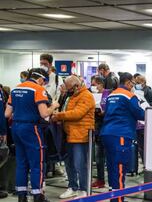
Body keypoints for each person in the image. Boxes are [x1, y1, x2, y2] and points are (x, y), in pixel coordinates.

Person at [5, 68, 60, 202]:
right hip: (31, 129)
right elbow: (44, 113)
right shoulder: (38, 89)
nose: (44, 84)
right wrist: (53, 106)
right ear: (41, 79)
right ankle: (38, 196)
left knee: (21, 163)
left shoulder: (16, 89)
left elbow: (7, 114)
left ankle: (22, 196)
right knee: (37, 163)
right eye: (44, 82)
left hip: (16, 128)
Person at [100, 72, 145, 202]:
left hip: (107, 133)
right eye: (133, 83)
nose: (133, 86)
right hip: (121, 134)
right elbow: (140, 114)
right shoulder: (130, 96)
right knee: (120, 168)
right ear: (128, 82)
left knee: (112, 167)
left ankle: (113, 196)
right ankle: (118, 199)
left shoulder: (111, 95)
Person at [52, 75, 95, 199]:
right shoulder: (71, 96)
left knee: (80, 164)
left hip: (80, 137)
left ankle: (83, 189)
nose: (67, 90)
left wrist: (59, 116)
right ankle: (73, 187)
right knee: (69, 163)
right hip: (69, 135)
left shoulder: (86, 96)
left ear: (76, 86)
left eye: (69, 88)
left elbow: (77, 114)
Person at [89, 76, 107, 189]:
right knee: (99, 157)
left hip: (105, 128)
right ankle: (100, 179)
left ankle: (102, 180)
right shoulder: (92, 95)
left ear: (100, 84)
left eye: (94, 84)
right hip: (97, 128)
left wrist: (103, 112)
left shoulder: (107, 95)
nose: (93, 87)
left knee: (101, 156)